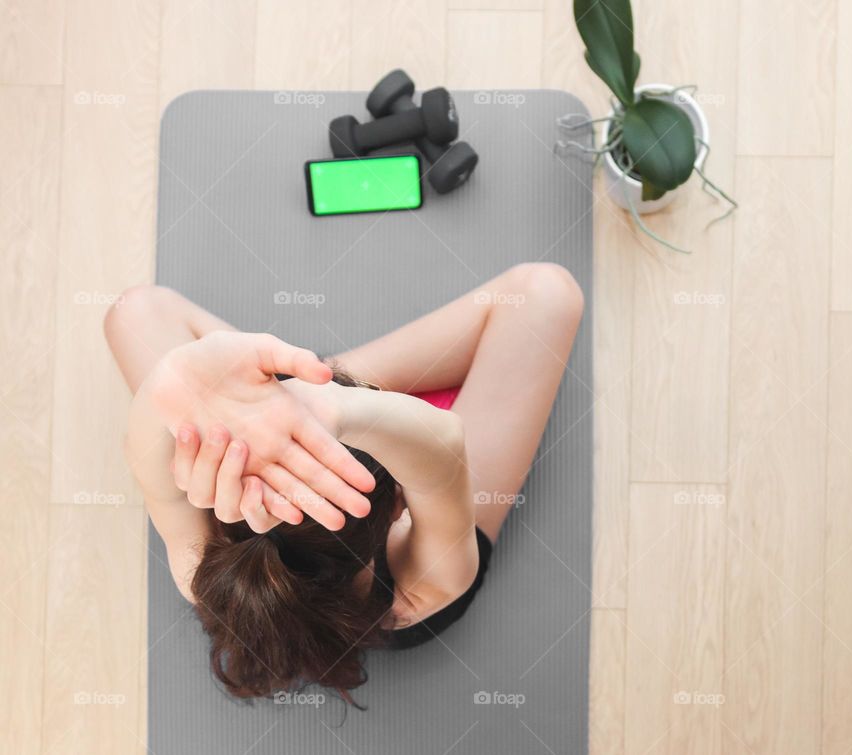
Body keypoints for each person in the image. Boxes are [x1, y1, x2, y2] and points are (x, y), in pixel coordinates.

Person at [105, 263, 583, 702]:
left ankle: (289, 391)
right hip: (404, 568)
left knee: (134, 312)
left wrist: (183, 376)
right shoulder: (422, 590)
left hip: (281, 485)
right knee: (547, 294)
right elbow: (442, 447)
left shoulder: (199, 574)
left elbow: (145, 460)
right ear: (400, 502)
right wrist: (332, 400)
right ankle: (315, 380)